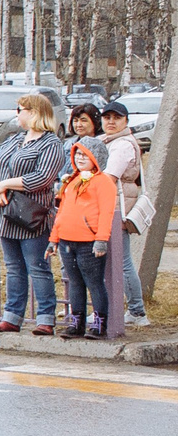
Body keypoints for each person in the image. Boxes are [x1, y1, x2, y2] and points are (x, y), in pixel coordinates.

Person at [0, 93, 68, 336]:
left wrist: (5, 185)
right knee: (13, 267)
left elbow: (42, 178)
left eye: (20, 109)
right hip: (6, 213)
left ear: (34, 112)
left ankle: (45, 318)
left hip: (32, 216)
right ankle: (12, 317)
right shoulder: (13, 140)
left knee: (38, 266)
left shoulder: (51, 144)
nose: (17, 114)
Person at [51, 136, 120, 338]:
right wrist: (54, 239)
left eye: (85, 154)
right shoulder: (71, 181)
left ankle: (99, 324)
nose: (80, 158)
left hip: (88, 242)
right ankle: (76, 323)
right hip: (67, 240)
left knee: (94, 282)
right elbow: (61, 212)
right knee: (75, 282)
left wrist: (101, 239)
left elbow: (106, 213)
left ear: (95, 157)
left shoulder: (103, 182)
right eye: (77, 154)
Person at [101, 100, 151, 327]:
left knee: (122, 262)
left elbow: (109, 177)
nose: (111, 122)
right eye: (107, 117)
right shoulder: (111, 141)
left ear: (126, 121)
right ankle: (123, 309)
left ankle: (137, 311)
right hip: (113, 206)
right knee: (117, 261)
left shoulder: (122, 145)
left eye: (116, 118)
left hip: (116, 209)